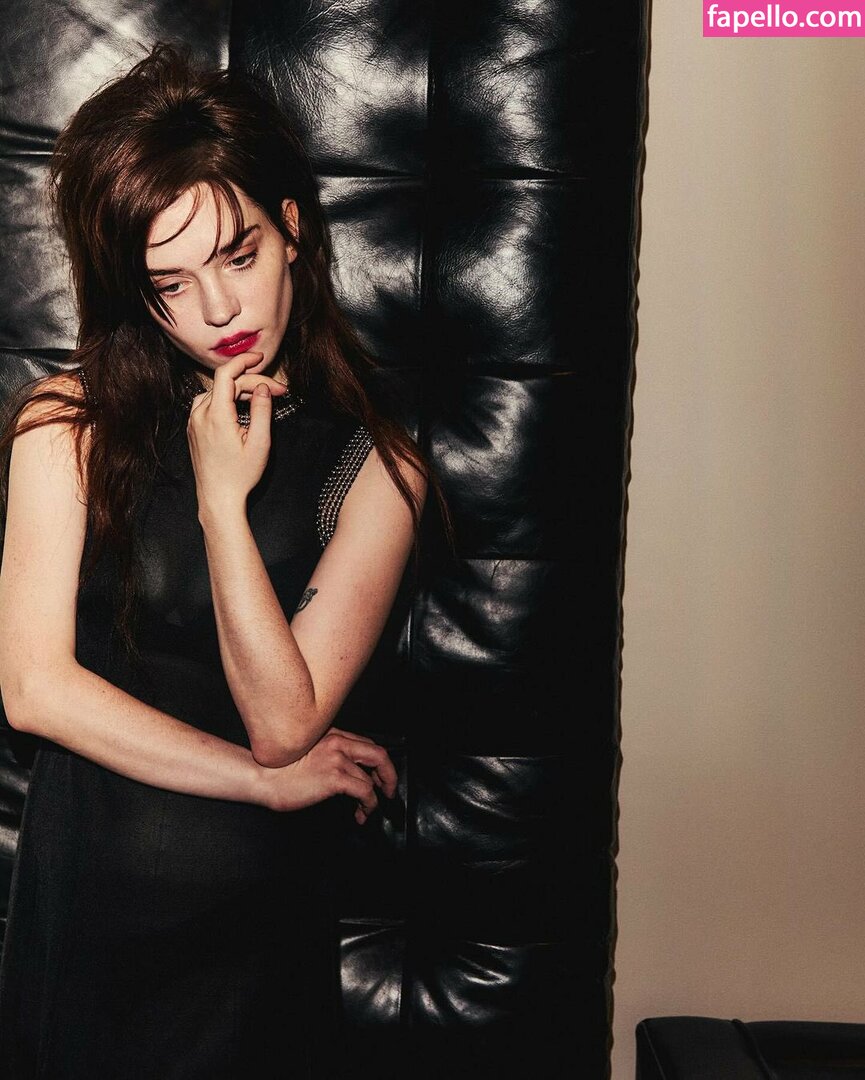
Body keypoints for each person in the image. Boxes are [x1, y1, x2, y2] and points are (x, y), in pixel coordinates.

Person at [0, 42, 446, 1079]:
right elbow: (32, 688)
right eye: (172, 282)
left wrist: (220, 503)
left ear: (292, 230)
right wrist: (258, 784)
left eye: (238, 256)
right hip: (85, 937)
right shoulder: (68, 422)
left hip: (255, 955)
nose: (218, 311)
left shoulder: (376, 470)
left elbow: (285, 722)